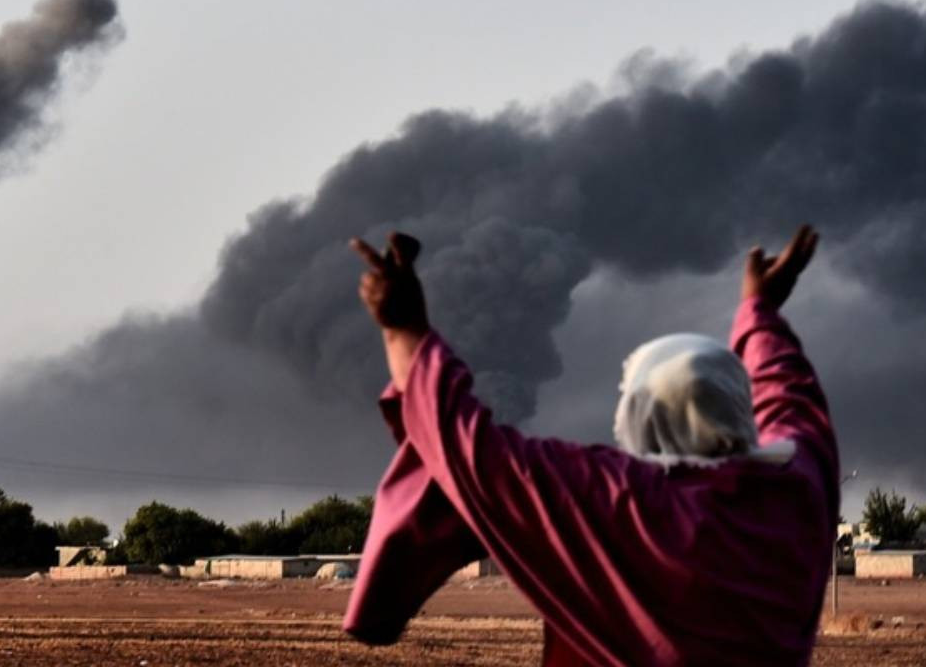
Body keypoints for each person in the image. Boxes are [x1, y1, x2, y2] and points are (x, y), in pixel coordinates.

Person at [342, 226, 838, 666]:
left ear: (636, 417)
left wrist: (402, 329)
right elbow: (789, 394)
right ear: (740, 407)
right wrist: (762, 314)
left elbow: (467, 448)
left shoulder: (618, 501)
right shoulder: (796, 488)